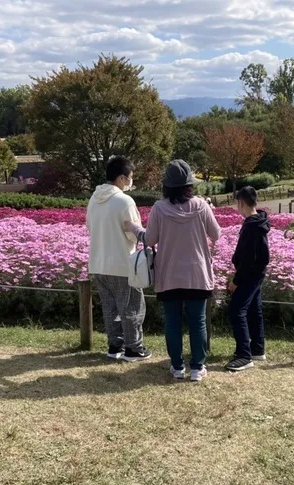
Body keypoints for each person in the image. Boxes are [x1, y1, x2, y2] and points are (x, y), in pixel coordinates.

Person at [128, 159, 221, 382]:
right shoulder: (201, 205)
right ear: (189, 184)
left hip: (168, 274)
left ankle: (177, 366)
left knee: (172, 322)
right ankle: (198, 367)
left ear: (166, 186)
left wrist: (135, 229)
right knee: (197, 321)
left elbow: (150, 239)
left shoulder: (159, 208)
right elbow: (216, 234)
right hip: (197, 274)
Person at [86, 156, 151, 362]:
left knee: (110, 308)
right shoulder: (125, 201)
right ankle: (134, 348)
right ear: (122, 178)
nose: (131, 181)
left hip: (98, 262)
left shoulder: (94, 199)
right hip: (123, 263)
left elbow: (89, 227)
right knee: (131, 306)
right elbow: (133, 233)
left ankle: (115, 346)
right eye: (130, 177)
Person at [225, 186, 270, 372]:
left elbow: (247, 258)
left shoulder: (251, 227)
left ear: (241, 203)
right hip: (257, 274)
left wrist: (236, 280)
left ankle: (244, 355)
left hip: (249, 275)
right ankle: (257, 348)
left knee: (237, 310)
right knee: (254, 309)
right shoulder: (259, 221)